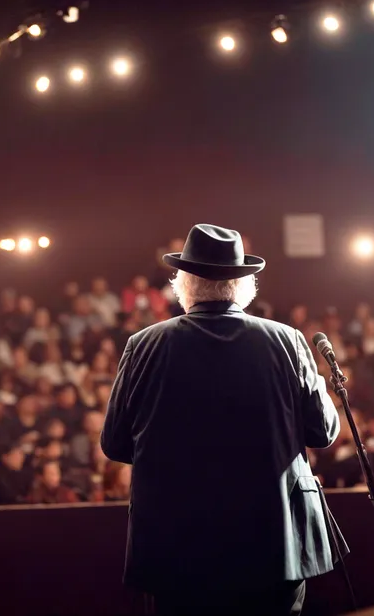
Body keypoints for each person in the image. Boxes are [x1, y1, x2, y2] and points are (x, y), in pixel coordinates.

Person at [101, 224, 343, 615]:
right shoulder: (287, 341)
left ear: (183, 284)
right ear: (244, 286)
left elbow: (115, 443)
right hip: (272, 545)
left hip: (175, 548)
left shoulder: (142, 346)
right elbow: (324, 431)